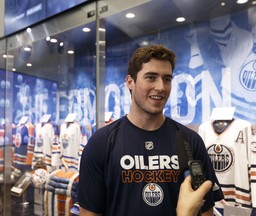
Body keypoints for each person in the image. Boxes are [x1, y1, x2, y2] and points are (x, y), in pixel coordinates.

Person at [77, 45, 224, 216]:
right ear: (130, 82)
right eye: (151, 77)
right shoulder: (101, 143)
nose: (161, 87)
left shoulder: (189, 141)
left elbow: (207, 212)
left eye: (167, 79)